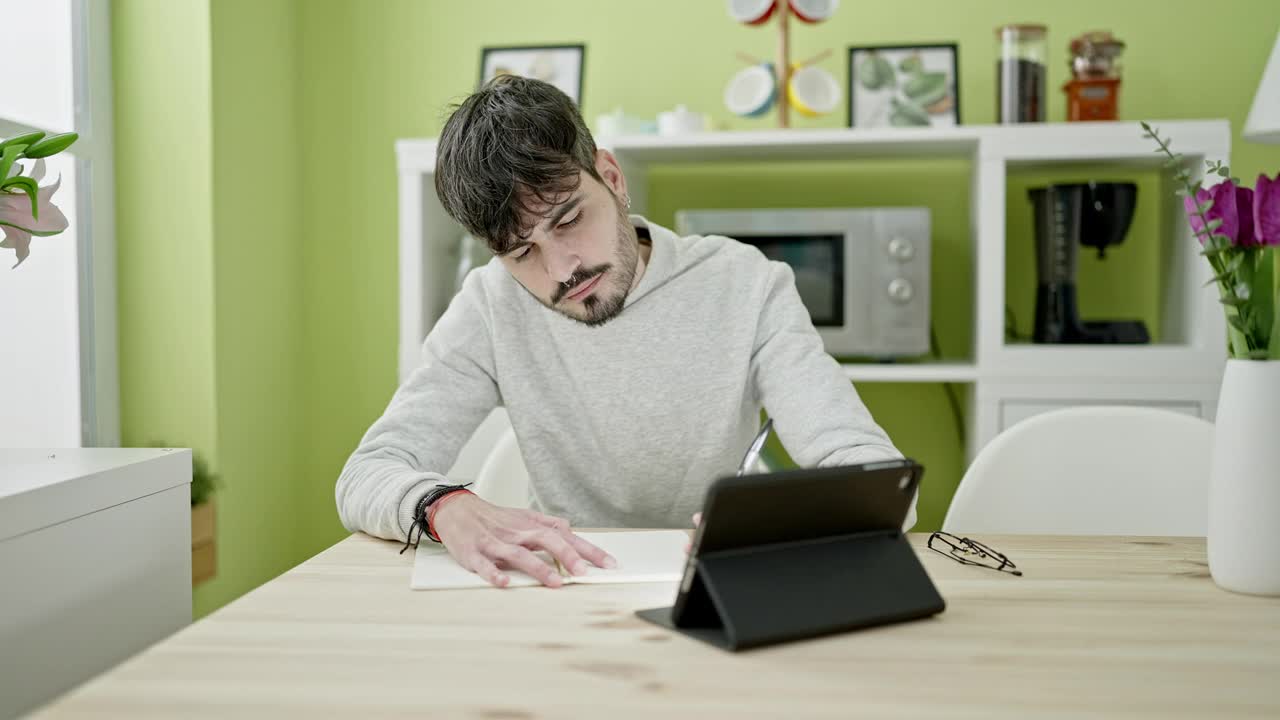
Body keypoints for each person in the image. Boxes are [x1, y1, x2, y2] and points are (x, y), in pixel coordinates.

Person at [335, 75, 912, 588]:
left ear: (611, 178)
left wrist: (787, 520)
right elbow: (366, 474)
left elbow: (875, 475)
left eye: (569, 220)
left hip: (721, 583)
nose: (562, 269)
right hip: (563, 590)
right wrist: (442, 504)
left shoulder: (746, 283)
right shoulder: (491, 304)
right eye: (521, 252)